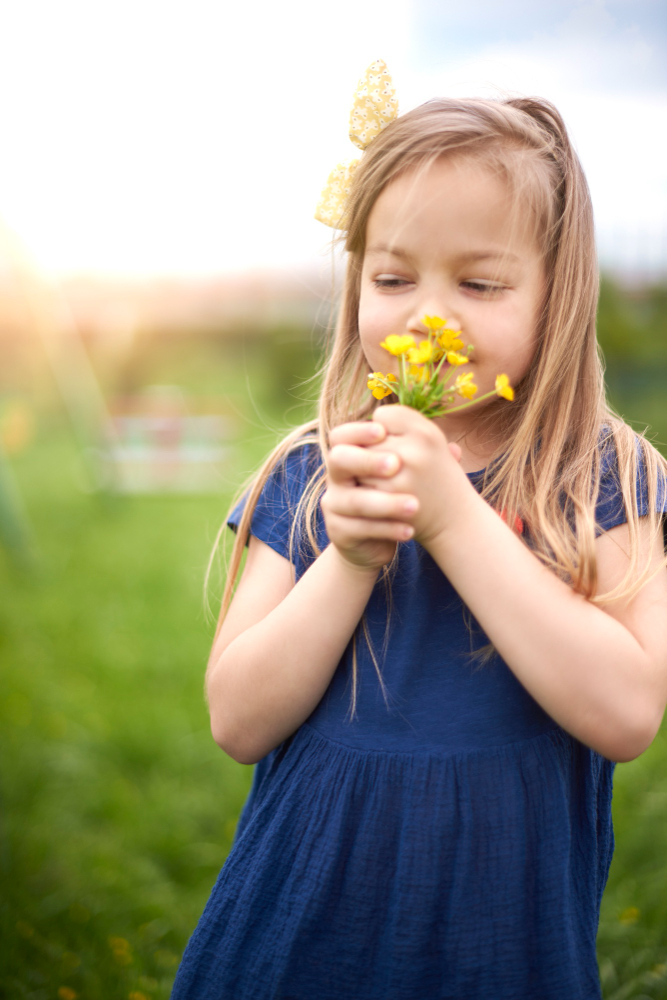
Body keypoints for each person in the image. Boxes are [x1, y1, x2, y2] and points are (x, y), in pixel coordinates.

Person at [171, 64, 667, 1000]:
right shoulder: (314, 470)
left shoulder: (607, 476)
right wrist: (351, 559)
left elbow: (628, 712)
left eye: (479, 283)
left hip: (497, 935)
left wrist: (449, 514)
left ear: (554, 294)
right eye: (392, 278)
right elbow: (236, 720)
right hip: (304, 919)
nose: (428, 314)